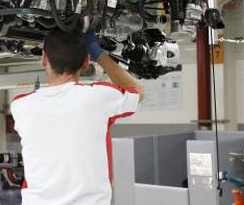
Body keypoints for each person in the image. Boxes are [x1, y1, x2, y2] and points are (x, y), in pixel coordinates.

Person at [10, 29, 145, 205]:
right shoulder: (98, 97)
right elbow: (138, 93)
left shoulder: (20, 106)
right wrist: (100, 55)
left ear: (44, 58)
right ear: (86, 63)